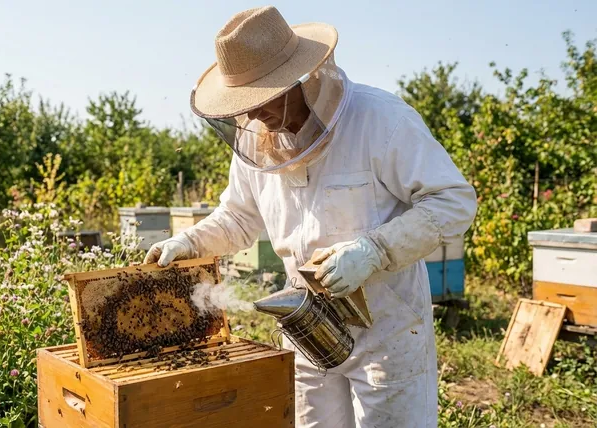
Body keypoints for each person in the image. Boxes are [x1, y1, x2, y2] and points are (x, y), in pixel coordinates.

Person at [144, 6, 477, 428]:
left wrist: (376, 250)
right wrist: (188, 242)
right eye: (242, 104)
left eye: (261, 98)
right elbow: (238, 218)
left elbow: (453, 201)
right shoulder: (257, 146)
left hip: (387, 331)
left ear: (296, 78)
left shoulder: (381, 120)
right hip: (304, 325)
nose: (252, 114)